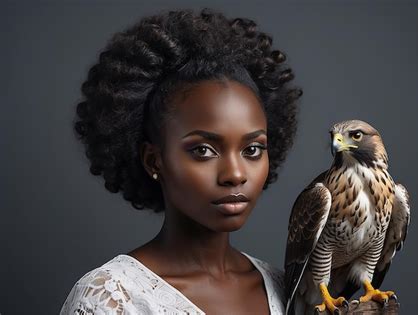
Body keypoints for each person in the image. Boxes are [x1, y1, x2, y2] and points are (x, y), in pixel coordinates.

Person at [60, 7, 302, 315]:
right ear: (153, 160)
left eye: (252, 150)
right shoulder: (112, 299)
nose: (235, 174)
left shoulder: (288, 289)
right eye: (203, 150)